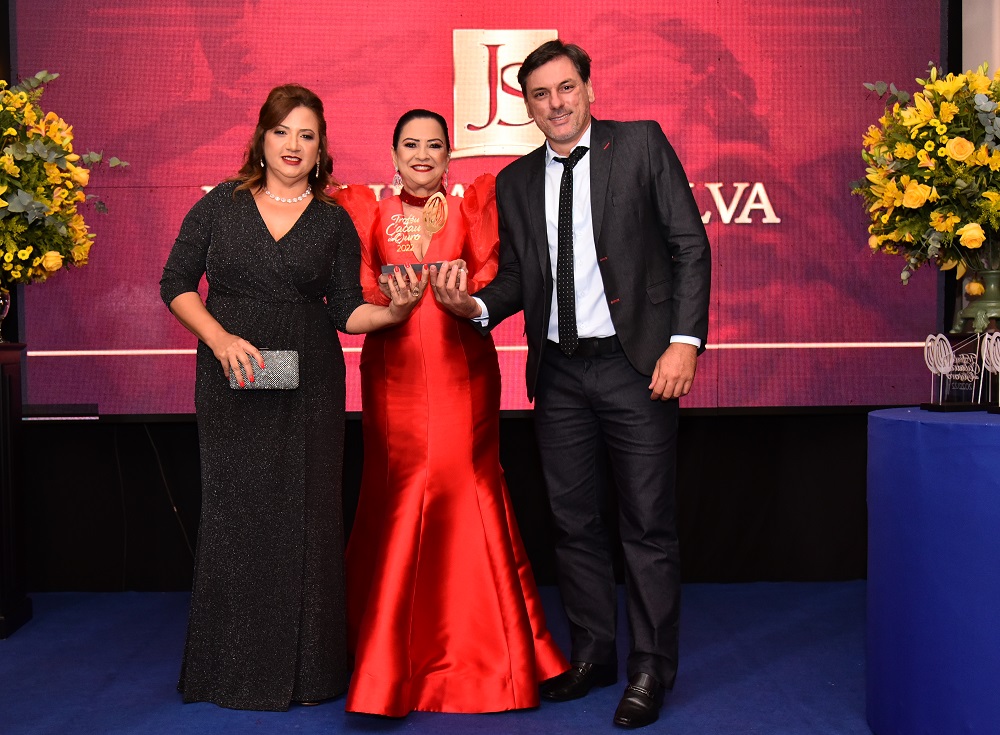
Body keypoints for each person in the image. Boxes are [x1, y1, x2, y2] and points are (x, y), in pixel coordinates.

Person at [431, 40, 711, 729]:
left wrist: (683, 342)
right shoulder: (517, 180)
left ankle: (650, 668)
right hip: (557, 372)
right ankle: (594, 654)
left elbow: (689, 245)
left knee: (646, 524)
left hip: (636, 365)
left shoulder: (640, 144)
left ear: (588, 88)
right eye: (540, 95)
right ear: (527, 107)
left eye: (565, 88)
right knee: (574, 521)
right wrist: (473, 306)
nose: (555, 103)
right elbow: (520, 279)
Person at [159, 84, 424, 711]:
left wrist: (394, 313)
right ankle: (227, 672)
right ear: (262, 137)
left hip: (310, 383)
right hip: (233, 376)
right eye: (283, 131)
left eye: (307, 135)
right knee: (236, 516)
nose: (293, 145)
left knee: (309, 518)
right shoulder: (220, 205)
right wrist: (220, 339)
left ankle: (310, 674)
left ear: (321, 146)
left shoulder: (333, 219)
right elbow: (175, 283)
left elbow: (345, 310)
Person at [334, 108, 568, 717]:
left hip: (463, 374)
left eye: (434, 145)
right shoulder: (367, 212)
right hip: (392, 378)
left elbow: (495, 279)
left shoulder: (472, 210)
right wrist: (390, 301)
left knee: (467, 486)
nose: (422, 155)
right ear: (393, 154)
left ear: (447, 156)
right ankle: (384, 657)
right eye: (410, 145)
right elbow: (355, 289)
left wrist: (467, 298)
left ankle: (490, 656)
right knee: (398, 489)